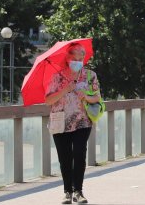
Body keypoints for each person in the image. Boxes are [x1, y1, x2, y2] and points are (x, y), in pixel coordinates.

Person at [45, 43, 101, 204]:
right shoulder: (57, 77)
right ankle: (67, 192)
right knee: (65, 157)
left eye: (80, 58)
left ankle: (79, 191)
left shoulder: (90, 75)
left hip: (82, 121)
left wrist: (86, 96)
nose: (78, 60)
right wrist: (65, 89)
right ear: (68, 58)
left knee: (79, 153)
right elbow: (48, 100)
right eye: (74, 58)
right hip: (60, 122)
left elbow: (97, 97)